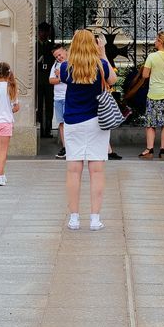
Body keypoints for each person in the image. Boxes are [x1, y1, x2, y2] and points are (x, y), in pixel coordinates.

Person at [50, 29, 116, 231]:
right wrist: (102, 52)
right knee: (96, 171)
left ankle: (74, 218)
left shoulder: (64, 67)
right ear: (92, 45)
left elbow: (61, 78)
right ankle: (95, 218)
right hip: (97, 122)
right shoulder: (101, 65)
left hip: (73, 123)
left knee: (73, 170)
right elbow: (113, 80)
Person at [138, 31, 164, 159]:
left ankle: (149, 149)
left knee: (151, 123)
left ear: (161, 42)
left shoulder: (152, 57)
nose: (154, 42)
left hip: (154, 94)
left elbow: (145, 75)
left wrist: (155, 74)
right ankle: (162, 150)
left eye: (156, 40)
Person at [36, 22, 55, 138]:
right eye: (41, 31)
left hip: (49, 79)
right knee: (38, 104)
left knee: (49, 104)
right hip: (38, 79)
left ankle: (48, 129)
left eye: (45, 32)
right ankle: (40, 128)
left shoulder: (51, 46)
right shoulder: (34, 46)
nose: (43, 34)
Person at [50, 45, 68, 158]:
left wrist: (60, 76)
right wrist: (61, 78)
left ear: (65, 51)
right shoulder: (55, 65)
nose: (59, 58)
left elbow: (73, 79)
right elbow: (51, 80)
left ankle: (72, 147)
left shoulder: (72, 63)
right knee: (61, 123)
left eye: (60, 54)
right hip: (57, 98)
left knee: (69, 123)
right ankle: (65, 147)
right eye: (56, 56)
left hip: (68, 97)